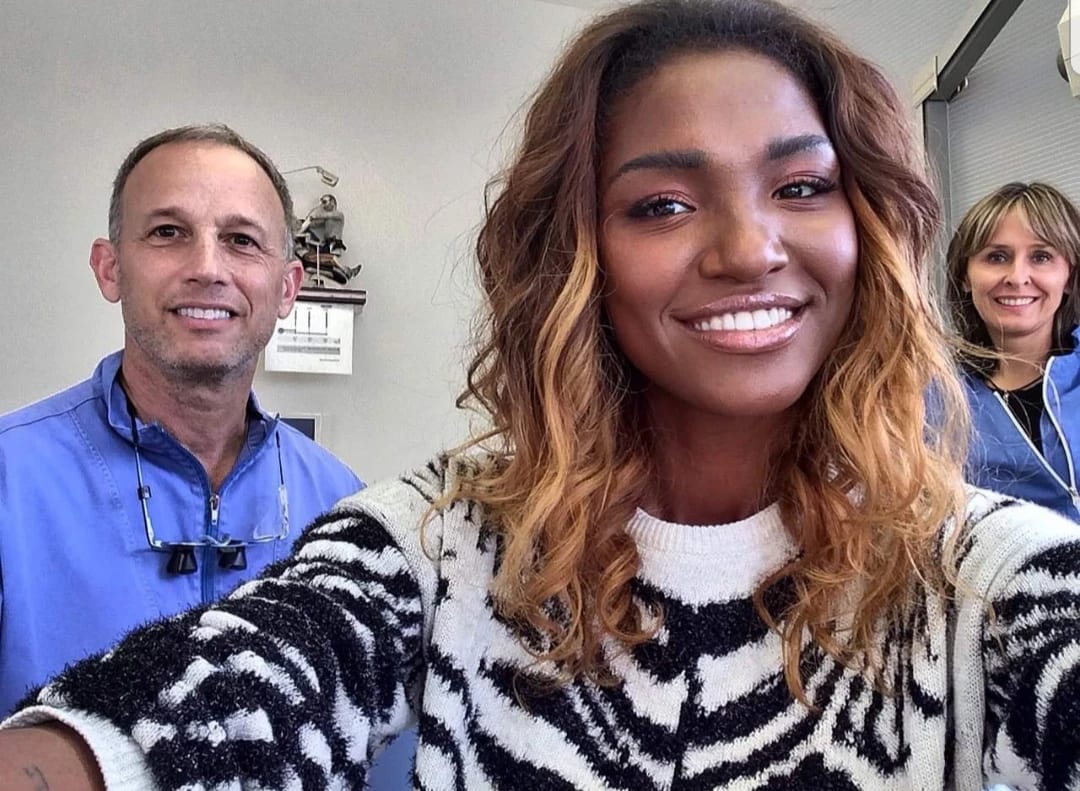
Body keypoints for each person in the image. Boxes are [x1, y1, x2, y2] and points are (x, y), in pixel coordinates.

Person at [1, 2, 1080, 789]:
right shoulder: (442, 539)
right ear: (576, 253)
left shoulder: (971, 571)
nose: (748, 248)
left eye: (801, 186)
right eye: (662, 204)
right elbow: (250, 677)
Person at [0, 125, 368, 713]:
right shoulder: (10, 483)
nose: (206, 268)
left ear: (287, 287)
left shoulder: (343, 510)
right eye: (168, 232)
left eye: (241, 240)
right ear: (110, 269)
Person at [946, 182, 1080, 520]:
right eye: (997, 257)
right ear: (965, 277)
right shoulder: (936, 401)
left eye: (1041, 257)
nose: (1017, 277)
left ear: (1069, 277)